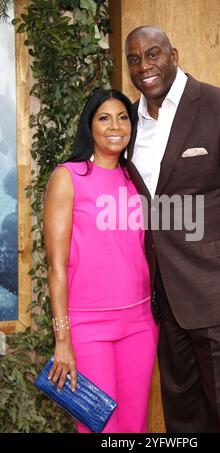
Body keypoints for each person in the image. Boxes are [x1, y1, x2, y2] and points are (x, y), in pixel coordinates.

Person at [125, 26, 220, 433]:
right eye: (135, 60)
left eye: (153, 54)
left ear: (173, 54)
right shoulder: (130, 124)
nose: (145, 67)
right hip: (165, 304)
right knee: (183, 421)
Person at [43, 89, 159, 433]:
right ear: (89, 125)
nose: (115, 126)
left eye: (123, 117)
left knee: (135, 427)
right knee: (100, 428)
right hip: (87, 329)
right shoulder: (68, 177)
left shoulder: (136, 180)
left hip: (139, 324)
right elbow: (55, 266)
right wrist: (62, 339)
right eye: (104, 117)